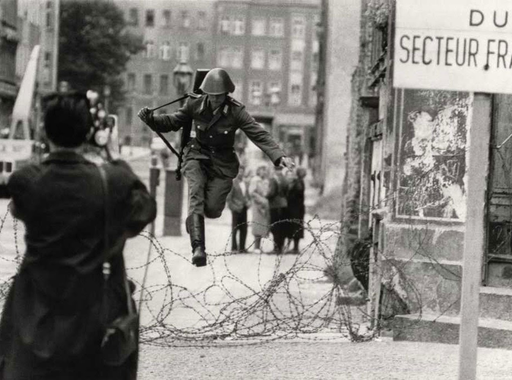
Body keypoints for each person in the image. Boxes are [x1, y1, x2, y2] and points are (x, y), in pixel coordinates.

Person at [0, 92, 157, 380]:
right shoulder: (112, 181)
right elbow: (144, 211)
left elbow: (16, 205)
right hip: (97, 314)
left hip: (35, 313)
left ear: (45, 131)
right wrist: (114, 155)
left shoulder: (28, 181)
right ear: (88, 133)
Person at [138, 68, 294, 267]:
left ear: (226, 94)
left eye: (220, 96)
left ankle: (195, 224)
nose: (216, 99)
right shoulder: (194, 104)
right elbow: (174, 122)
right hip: (197, 155)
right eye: (212, 96)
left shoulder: (236, 111)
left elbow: (258, 133)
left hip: (222, 163)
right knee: (195, 194)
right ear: (206, 93)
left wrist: (279, 156)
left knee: (211, 209)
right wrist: (151, 119)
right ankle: (198, 248)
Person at [226, 165, 251, 253]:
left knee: (244, 229)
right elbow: (229, 198)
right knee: (235, 229)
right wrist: (233, 208)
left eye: (242, 171)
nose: (241, 173)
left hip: (244, 208)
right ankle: (234, 248)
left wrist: (248, 202)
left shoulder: (245, 182)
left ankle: (242, 247)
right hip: (236, 209)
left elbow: (247, 195)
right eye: (239, 171)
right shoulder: (232, 183)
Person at [267, 166, 289, 253]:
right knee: (282, 226)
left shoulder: (273, 179)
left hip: (275, 205)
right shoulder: (285, 179)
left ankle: (276, 247)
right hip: (284, 204)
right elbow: (287, 191)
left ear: (274, 170)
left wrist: (266, 196)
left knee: (274, 226)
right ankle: (281, 246)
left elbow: (271, 192)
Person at [249, 165, 270, 253]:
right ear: (258, 171)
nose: (264, 172)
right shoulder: (255, 180)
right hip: (257, 205)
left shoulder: (264, 181)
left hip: (264, 204)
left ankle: (259, 246)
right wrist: (261, 200)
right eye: (262, 170)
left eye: (265, 170)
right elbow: (252, 192)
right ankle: (256, 247)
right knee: (257, 224)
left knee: (262, 225)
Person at [286, 167, 307, 253]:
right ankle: (294, 247)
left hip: (295, 208)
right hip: (297, 208)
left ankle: (295, 247)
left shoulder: (297, 182)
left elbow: (295, 193)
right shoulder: (299, 182)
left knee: (294, 227)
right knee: (295, 227)